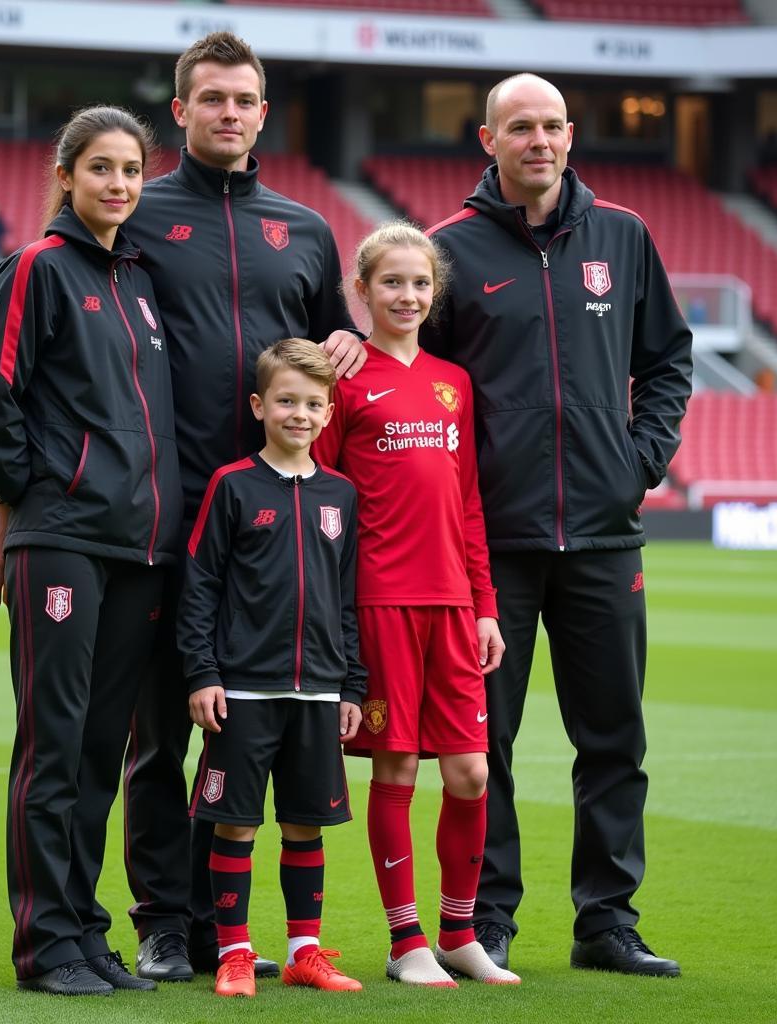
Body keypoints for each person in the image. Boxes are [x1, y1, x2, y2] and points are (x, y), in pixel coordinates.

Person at [0, 32, 366, 982]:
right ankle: (161, 926)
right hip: (139, 525)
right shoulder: (132, 223)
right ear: (181, 110)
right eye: (211, 98)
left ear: (265, 111)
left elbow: (318, 358)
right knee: (148, 738)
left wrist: (349, 336)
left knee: (235, 730)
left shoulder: (303, 230)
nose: (230, 112)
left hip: (260, 528)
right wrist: (9, 500)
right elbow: (16, 352)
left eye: (246, 99)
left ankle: (218, 931)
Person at [421, 73, 692, 977]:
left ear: (571, 136)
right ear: (487, 140)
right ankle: (485, 921)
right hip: (491, 546)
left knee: (614, 736)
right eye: (518, 127)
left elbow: (667, 363)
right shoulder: (448, 251)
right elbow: (426, 390)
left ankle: (606, 922)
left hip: (606, 538)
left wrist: (637, 463)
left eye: (550, 125)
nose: (537, 139)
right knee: (483, 742)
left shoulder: (624, 235)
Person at [0, 105, 182, 996]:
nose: (119, 185)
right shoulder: (37, 269)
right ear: (66, 175)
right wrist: (35, 491)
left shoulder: (138, 279)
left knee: (98, 750)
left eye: (131, 170)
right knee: (53, 746)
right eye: (101, 169)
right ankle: (43, 944)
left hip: (137, 548)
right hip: (64, 541)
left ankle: (83, 932)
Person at [314, 223, 519, 988]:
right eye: (392, 283)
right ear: (359, 292)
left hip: (455, 607)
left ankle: (461, 933)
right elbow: (324, 500)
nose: (408, 296)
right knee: (396, 769)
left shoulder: (452, 382)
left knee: (470, 773)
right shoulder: (342, 378)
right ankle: (407, 945)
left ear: (436, 294)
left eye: (420, 284)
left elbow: (468, 503)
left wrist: (486, 606)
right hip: (379, 605)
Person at [180, 338, 365, 998]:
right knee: (235, 822)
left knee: (304, 823)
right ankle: (234, 953)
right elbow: (200, 585)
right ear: (260, 405)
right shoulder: (232, 486)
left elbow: (347, 596)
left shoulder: (341, 495)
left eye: (314, 403)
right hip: (243, 690)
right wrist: (202, 674)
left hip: (318, 690)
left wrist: (351, 685)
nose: (300, 414)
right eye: (287, 400)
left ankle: (304, 952)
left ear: (328, 409)